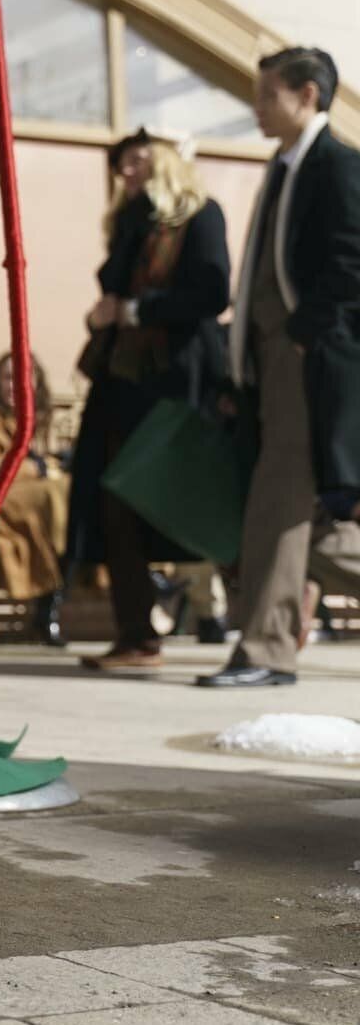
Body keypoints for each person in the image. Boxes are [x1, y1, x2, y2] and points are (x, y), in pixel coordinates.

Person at [201, 47, 360, 687]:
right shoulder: (285, 166)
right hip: (269, 365)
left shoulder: (338, 165)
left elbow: (352, 263)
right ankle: (264, 644)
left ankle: (266, 650)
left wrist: (300, 335)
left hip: (306, 363)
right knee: (296, 520)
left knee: (278, 504)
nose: (257, 107)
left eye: (269, 94)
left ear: (308, 95)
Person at [70, 130, 230, 671]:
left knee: (203, 504)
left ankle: (267, 615)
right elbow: (115, 290)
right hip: (123, 383)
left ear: (163, 160)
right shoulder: (129, 226)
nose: (127, 171)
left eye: (137, 159)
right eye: (120, 165)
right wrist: (106, 314)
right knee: (113, 501)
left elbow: (212, 294)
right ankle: (136, 634)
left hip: (180, 387)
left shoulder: (201, 216)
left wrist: (137, 312)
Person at [0, 354, 71, 645]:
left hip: (25, 499)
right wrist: (40, 468)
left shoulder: (29, 418)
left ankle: (50, 606)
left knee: (70, 492)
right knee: (53, 495)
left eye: (25, 376)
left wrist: (48, 466)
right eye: (8, 377)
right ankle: (48, 608)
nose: (15, 384)